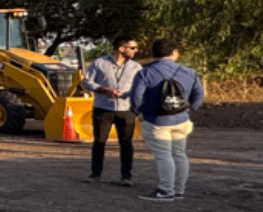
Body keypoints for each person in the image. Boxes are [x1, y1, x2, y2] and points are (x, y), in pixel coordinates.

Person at [129, 38, 205, 201]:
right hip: (181, 119)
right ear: (174, 53)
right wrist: (189, 108)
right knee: (179, 154)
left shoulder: (145, 72)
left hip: (156, 120)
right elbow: (199, 94)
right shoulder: (189, 72)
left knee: (164, 155)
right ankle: (179, 190)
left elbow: (136, 97)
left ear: (153, 54)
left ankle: (165, 190)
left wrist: (138, 112)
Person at [82, 36, 142, 185]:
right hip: (103, 108)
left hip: (126, 109)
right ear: (121, 49)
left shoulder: (136, 67)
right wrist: (104, 89)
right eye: (132, 48)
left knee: (126, 143)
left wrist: (127, 95)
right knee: (100, 142)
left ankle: (126, 176)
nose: (136, 51)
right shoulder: (99, 63)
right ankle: (95, 174)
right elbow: (86, 81)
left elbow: (140, 87)